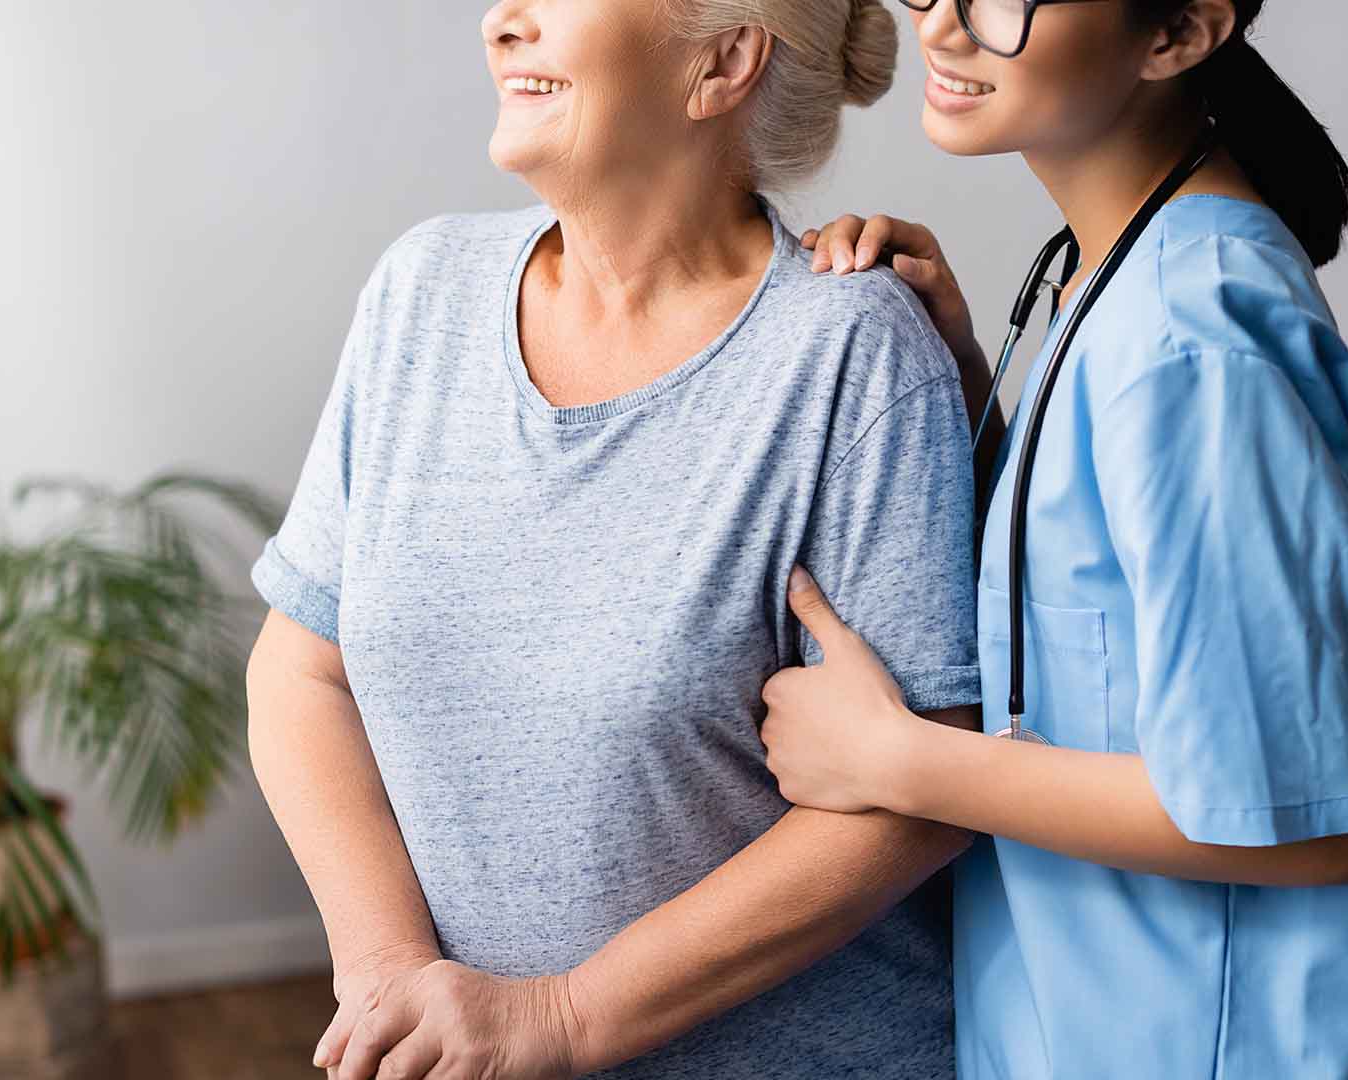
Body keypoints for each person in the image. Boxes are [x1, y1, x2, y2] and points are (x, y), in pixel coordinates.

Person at [243, 0, 984, 1077]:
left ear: (725, 61)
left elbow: (919, 803)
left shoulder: (850, 352)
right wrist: (389, 976)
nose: (502, 21)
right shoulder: (421, 295)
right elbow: (302, 669)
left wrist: (563, 1017)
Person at [757, 0, 1348, 1076]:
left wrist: (898, 760)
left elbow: (1303, 821)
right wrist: (965, 370)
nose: (944, 26)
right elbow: (1103, 618)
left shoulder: (1192, 335)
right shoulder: (1119, 275)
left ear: (1177, 33)